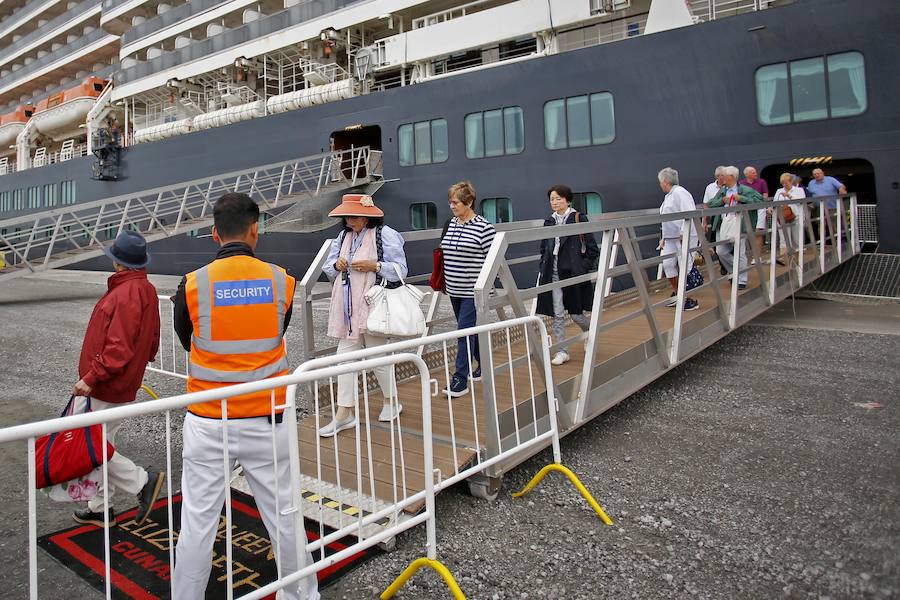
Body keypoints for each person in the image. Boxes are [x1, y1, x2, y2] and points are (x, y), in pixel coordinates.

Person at [171, 193, 318, 600]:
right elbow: (277, 331)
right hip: (267, 418)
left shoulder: (192, 284)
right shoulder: (281, 280)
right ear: (256, 230)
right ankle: (301, 596)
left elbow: (187, 340)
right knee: (285, 516)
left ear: (214, 234)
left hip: (208, 419)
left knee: (197, 524)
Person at [71, 230, 165, 528]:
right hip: (122, 380)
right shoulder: (146, 289)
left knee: (88, 444)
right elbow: (152, 337)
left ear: (117, 262)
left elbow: (118, 347)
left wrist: (91, 377)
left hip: (106, 384)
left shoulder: (125, 293)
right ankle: (100, 507)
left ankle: (142, 482)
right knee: (102, 441)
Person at [318, 194, 408, 437]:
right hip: (348, 307)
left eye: (354, 216)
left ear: (367, 216)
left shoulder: (385, 234)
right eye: (347, 217)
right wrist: (336, 265)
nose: (350, 221)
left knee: (378, 356)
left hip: (372, 303)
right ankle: (344, 412)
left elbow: (401, 270)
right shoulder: (343, 236)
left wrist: (375, 266)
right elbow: (329, 266)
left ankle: (391, 400)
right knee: (344, 359)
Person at [441, 181, 496, 397]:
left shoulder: (484, 228)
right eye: (450, 202)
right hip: (454, 288)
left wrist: (485, 287)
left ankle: (460, 379)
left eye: (456, 202)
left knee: (463, 332)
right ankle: (483, 363)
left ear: (469, 202)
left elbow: (494, 260)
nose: (452, 206)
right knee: (468, 330)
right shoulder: (451, 224)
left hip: (473, 291)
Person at [535, 185, 599, 366]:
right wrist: (543, 266)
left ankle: (590, 332)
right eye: (552, 199)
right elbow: (544, 248)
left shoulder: (578, 218)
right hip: (553, 272)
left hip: (572, 273)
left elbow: (592, 249)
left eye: (558, 198)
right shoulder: (549, 221)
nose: (554, 202)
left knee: (577, 314)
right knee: (557, 313)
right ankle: (562, 351)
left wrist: (582, 267)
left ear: (567, 200)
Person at [707, 166, 764, 289]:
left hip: (740, 224)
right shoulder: (723, 191)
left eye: (724, 175)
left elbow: (760, 201)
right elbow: (710, 203)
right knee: (721, 251)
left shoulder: (745, 190)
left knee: (740, 251)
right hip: (724, 224)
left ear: (731, 177)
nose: (722, 178)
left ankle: (741, 280)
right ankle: (735, 272)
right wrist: (722, 201)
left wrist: (742, 198)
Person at [656, 168, 700, 311]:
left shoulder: (680, 192)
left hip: (683, 236)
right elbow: (666, 219)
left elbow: (689, 212)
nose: (660, 185)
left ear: (665, 181)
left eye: (660, 182)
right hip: (670, 238)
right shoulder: (669, 196)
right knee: (668, 264)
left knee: (685, 267)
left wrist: (683, 233)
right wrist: (663, 237)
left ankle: (687, 299)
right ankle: (678, 294)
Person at [772, 172, 806, 260]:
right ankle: (785, 260)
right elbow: (775, 202)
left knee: (797, 239)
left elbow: (801, 202)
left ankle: (798, 259)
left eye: (786, 183)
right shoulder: (779, 191)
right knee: (784, 239)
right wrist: (771, 208)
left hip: (796, 217)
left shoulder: (799, 190)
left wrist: (789, 196)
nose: (784, 185)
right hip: (783, 217)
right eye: (782, 183)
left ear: (791, 181)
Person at [739, 166, 770, 263]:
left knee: (758, 233)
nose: (756, 174)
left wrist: (763, 204)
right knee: (749, 233)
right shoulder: (741, 184)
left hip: (759, 209)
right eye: (753, 172)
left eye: (755, 172)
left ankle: (757, 257)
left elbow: (765, 194)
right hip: (747, 211)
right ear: (747, 174)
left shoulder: (762, 182)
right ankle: (752, 254)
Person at [702, 166, 727, 245]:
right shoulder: (710, 188)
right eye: (723, 175)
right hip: (715, 222)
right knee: (718, 245)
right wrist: (704, 222)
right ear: (718, 176)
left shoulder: (730, 186)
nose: (726, 177)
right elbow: (706, 205)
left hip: (729, 219)